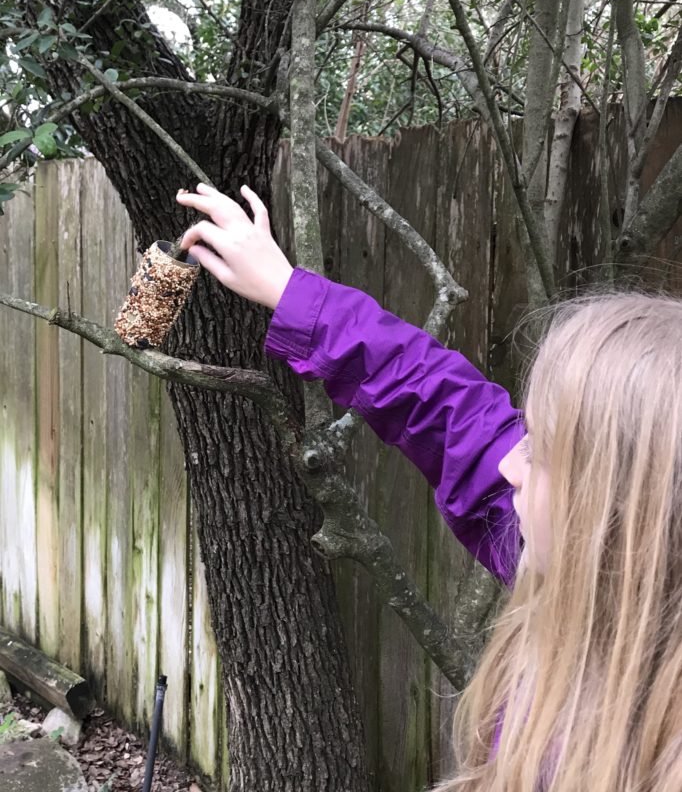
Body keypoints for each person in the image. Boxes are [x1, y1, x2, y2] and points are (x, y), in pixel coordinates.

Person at [176, 182, 682, 792]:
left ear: (628, 516)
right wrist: (292, 293)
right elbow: (451, 413)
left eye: (544, 453)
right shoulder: (581, 567)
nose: (509, 465)